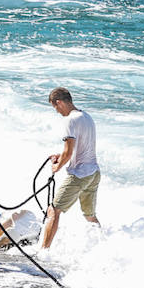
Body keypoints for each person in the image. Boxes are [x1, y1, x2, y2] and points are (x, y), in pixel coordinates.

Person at [41, 87, 101, 249]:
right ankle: (103, 244)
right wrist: (60, 157)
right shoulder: (86, 116)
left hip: (80, 175)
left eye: (55, 107)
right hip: (94, 173)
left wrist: (57, 167)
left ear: (59, 102)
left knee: (53, 211)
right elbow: (79, 148)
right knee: (90, 215)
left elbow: (68, 152)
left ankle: (43, 253)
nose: (57, 111)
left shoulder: (69, 120)